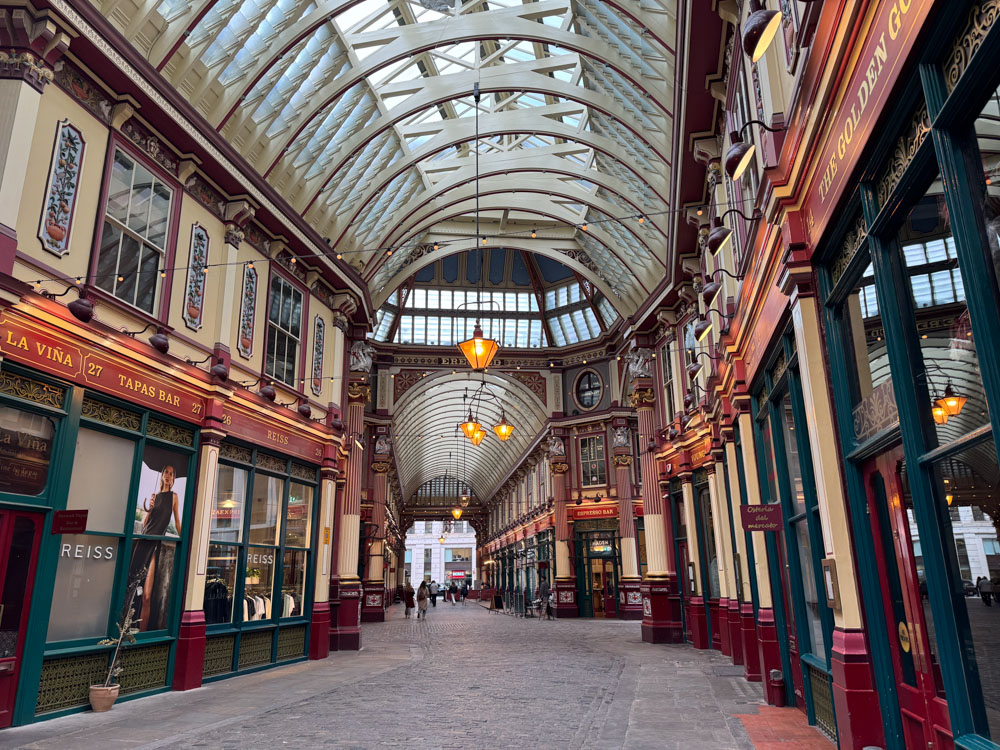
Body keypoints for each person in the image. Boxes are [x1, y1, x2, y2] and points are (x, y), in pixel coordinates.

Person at [125, 465, 182, 630]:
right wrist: (149, 508)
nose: (168, 475)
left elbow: (177, 521)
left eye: (171, 473)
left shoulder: (174, 497)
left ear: (173, 479)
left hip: (155, 546)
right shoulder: (154, 496)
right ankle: (124, 628)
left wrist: (183, 539)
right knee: (131, 587)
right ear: (162, 475)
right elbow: (144, 523)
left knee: (147, 596)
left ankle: (142, 636)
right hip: (143, 542)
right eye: (166, 472)